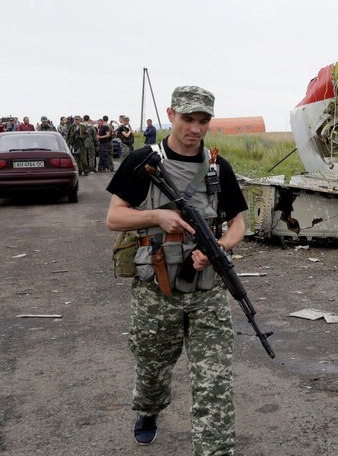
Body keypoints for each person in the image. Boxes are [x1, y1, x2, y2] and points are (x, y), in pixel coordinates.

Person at [105, 86, 248, 455]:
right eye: (188, 119)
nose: (195, 129)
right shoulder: (142, 160)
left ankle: (215, 450)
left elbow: (239, 224)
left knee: (214, 381)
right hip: (157, 292)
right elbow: (114, 218)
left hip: (207, 291)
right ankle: (148, 410)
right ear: (171, 114)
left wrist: (219, 247)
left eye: (203, 121)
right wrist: (156, 215)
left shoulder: (218, 167)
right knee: (152, 369)